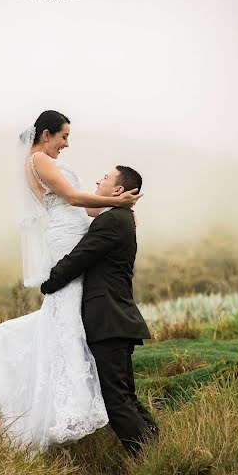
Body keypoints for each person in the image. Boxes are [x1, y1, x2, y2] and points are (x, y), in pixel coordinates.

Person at [0, 110, 142, 457]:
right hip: (66, 237)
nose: (66, 144)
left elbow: (86, 208)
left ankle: (82, 390)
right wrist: (115, 202)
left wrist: (119, 213)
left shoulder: (45, 161)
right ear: (46, 134)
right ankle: (69, 401)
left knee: (70, 312)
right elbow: (73, 200)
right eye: (63, 136)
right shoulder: (39, 160)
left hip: (74, 230)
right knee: (67, 309)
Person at [40, 165, 160, 457]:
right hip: (117, 320)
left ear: (118, 190)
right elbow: (86, 212)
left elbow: (80, 257)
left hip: (109, 321)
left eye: (105, 178)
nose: (97, 180)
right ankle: (159, 452)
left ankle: (145, 460)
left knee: (117, 401)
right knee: (126, 397)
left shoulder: (113, 222)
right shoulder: (120, 218)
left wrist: (49, 282)